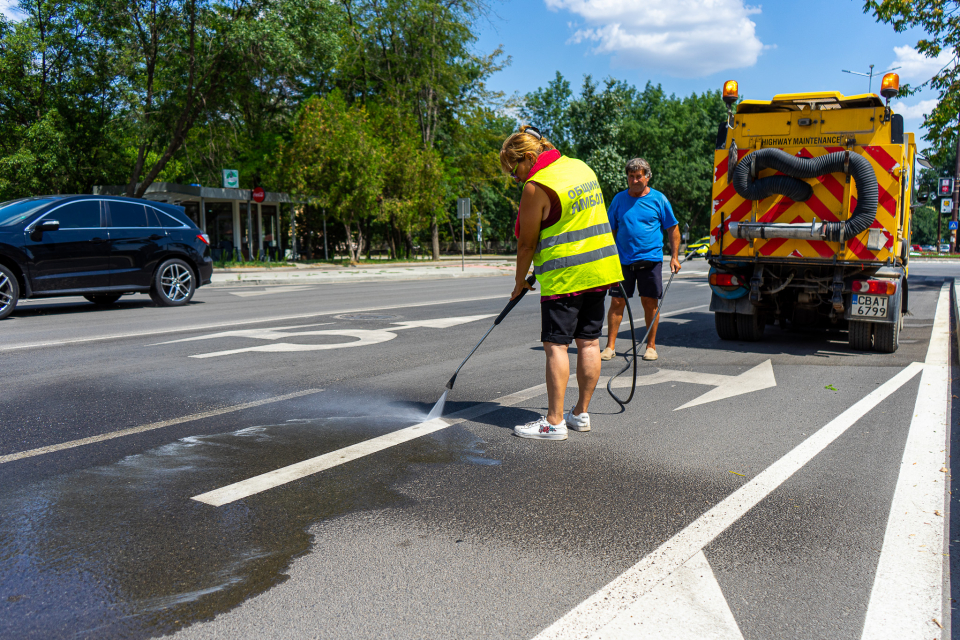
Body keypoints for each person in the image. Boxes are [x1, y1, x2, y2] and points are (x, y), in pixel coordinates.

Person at [502, 125, 623, 441]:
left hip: (566, 278)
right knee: (590, 342)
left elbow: (526, 243)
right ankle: (580, 414)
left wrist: (519, 283)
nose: (514, 178)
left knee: (556, 345)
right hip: (600, 272)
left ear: (529, 157)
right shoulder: (579, 167)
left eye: (514, 170)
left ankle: (553, 422)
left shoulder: (537, 185)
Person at [601, 158, 681, 363]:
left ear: (647, 177)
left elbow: (672, 228)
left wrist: (674, 257)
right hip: (623, 261)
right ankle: (610, 346)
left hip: (650, 260)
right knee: (617, 302)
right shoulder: (619, 200)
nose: (635, 180)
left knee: (650, 303)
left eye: (639, 176)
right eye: (631, 176)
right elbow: (611, 230)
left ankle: (651, 346)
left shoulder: (659, 199)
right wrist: (609, 257)